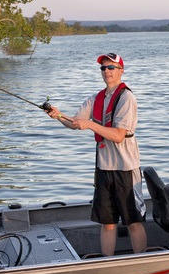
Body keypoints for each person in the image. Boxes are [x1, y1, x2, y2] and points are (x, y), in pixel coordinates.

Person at [46, 53, 147, 255]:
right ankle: (107, 262)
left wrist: (90, 124)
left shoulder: (126, 97)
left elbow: (118, 135)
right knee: (107, 223)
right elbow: (76, 123)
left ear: (121, 71)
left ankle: (142, 262)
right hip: (103, 169)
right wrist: (58, 116)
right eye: (103, 68)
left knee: (133, 222)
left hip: (126, 169)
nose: (106, 71)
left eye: (111, 67)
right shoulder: (96, 98)